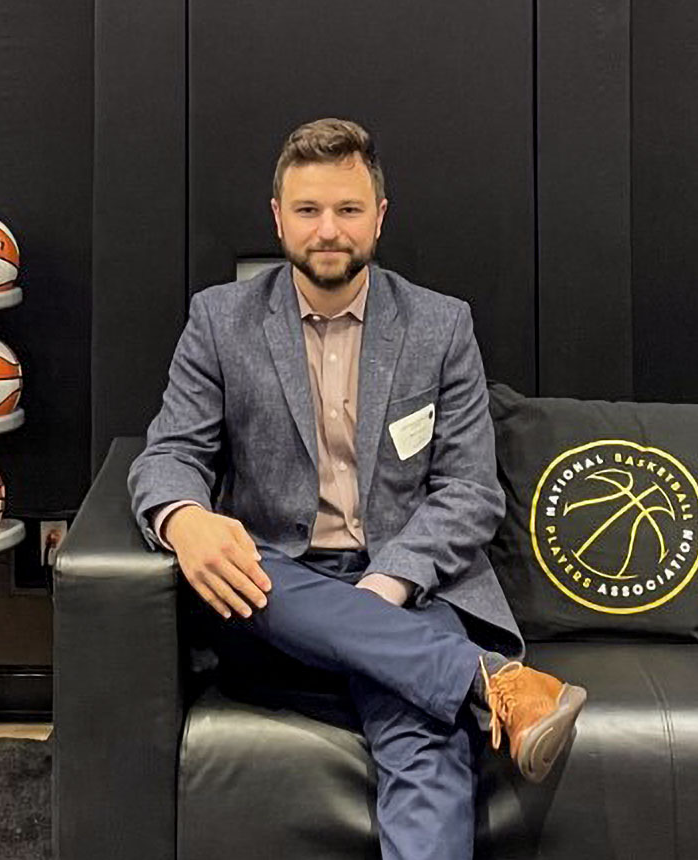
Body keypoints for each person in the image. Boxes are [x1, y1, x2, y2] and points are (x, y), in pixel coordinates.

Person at [127, 117, 587, 860]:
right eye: (308, 210)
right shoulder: (221, 321)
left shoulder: (440, 326)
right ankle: (493, 681)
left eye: (347, 209)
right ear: (278, 218)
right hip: (276, 595)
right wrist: (184, 519)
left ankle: (451, 678)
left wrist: (390, 582)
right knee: (253, 568)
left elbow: (469, 490)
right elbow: (169, 452)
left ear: (379, 215)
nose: (328, 229)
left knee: (422, 728)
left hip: (408, 592)